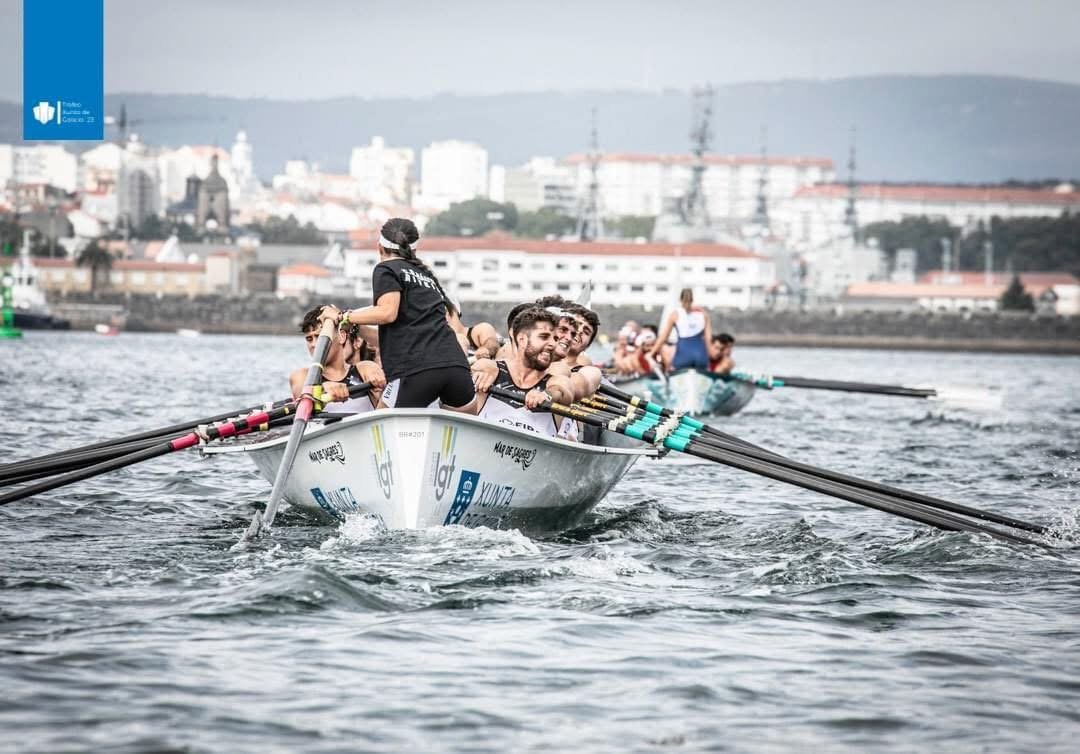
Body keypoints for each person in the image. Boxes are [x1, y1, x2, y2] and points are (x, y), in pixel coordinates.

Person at [328, 218, 476, 412]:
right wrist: (358, 326)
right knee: (464, 433)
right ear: (414, 251)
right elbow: (393, 336)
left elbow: (387, 313)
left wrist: (343, 317)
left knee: (379, 428)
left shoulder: (386, 268)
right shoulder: (426, 276)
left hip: (415, 372)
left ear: (380, 247)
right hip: (456, 367)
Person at [471, 307, 577, 439]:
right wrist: (475, 375)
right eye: (544, 336)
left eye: (555, 339)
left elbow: (562, 390)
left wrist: (547, 395)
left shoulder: (556, 381)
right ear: (522, 339)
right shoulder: (490, 368)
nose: (552, 344)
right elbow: (476, 370)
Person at [290, 305, 386, 413]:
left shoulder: (364, 369)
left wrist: (379, 381)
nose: (314, 344)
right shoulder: (301, 375)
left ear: (342, 337)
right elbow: (302, 390)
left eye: (320, 336)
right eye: (309, 339)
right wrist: (323, 388)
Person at [650, 288, 712, 371]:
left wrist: (651, 354)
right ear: (692, 299)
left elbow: (664, 337)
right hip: (701, 356)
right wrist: (708, 358)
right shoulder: (703, 315)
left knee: (671, 369)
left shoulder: (675, 314)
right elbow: (708, 339)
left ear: (680, 299)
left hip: (683, 355)